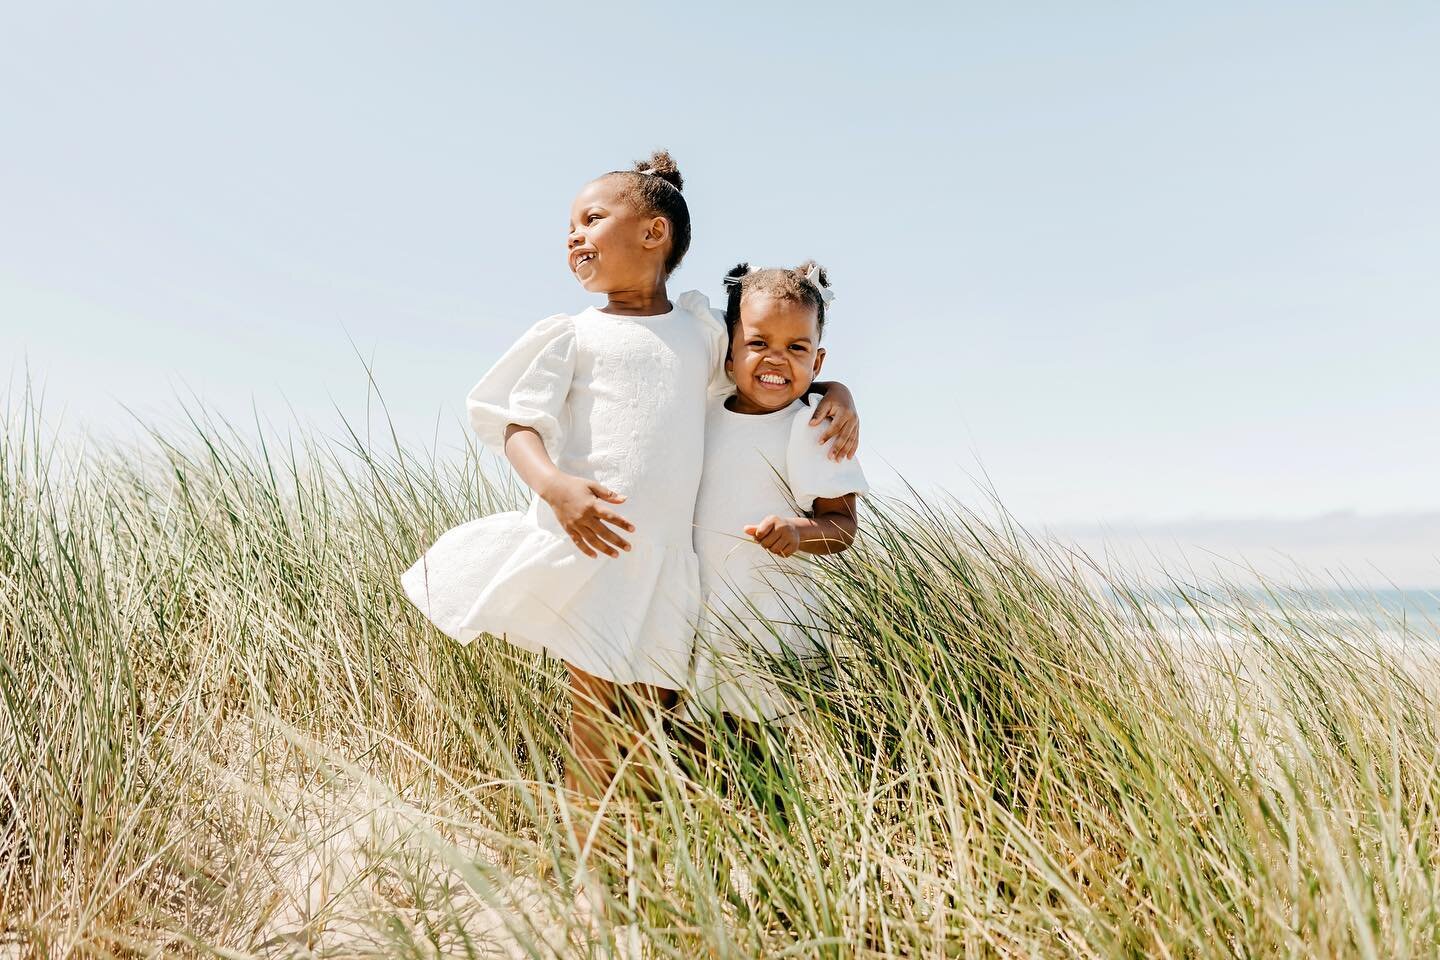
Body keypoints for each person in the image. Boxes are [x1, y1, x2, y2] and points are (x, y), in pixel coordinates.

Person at [400, 152, 860, 816]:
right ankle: (587, 875)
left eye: (590, 219)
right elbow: (516, 423)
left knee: (648, 741)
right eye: (570, 226)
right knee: (592, 729)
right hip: (599, 553)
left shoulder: (701, 333)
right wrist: (555, 486)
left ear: (653, 234)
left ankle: (636, 867)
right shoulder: (574, 335)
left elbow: (767, 370)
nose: (572, 236)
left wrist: (837, 389)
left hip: (671, 572)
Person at [686, 261, 868, 728]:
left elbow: (843, 527)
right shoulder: (704, 404)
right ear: (729, 352)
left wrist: (798, 530)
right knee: (696, 764)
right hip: (699, 623)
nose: (775, 358)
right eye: (758, 343)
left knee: (762, 764)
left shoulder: (814, 428)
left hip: (772, 628)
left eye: (796, 347)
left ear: (817, 362)